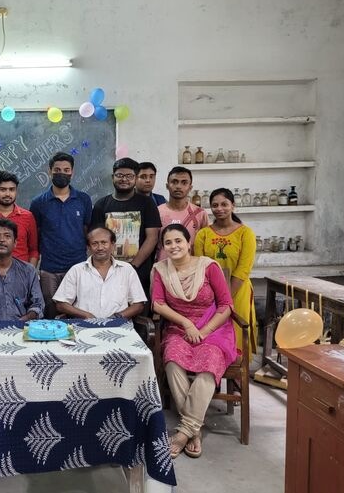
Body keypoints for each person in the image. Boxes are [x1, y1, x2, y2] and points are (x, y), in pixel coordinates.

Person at [151, 224, 236, 459]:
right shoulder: (161, 270)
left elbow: (226, 305)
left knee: (209, 363)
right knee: (172, 360)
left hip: (213, 328)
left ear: (188, 243)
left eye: (178, 241)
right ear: (163, 247)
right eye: (168, 242)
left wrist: (204, 330)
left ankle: (184, 432)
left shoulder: (208, 267)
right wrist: (186, 324)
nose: (174, 246)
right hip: (179, 328)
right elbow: (158, 304)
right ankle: (193, 430)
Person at [194, 188, 257, 356]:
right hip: (210, 293)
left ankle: (240, 369)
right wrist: (214, 296)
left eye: (224, 204)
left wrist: (225, 297)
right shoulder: (203, 234)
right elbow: (200, 266)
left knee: (237, 331)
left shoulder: (245, 233)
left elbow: (243, 268)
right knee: (213, 333)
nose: (219, 209)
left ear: (233, 206)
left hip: (238, 290)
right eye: (215, 205)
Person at [30, 152, 92, 318]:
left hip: (78, 267)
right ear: (50, 171)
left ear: (72, 172)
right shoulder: (38, 203)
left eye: (66, 170)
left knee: (78, 313)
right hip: (49, 269)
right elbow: (35, 235)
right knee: (50, 314)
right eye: (57, 170)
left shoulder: (84, 200)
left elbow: (87, 231)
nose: (62, 173)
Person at [91, 157, 161, 297]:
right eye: (120, 175)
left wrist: (132, 266)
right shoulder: (101, 205)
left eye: (129, 176)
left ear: (135, 178)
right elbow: (96, 239)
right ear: (113, 177)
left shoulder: (147, 204)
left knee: (138, 308)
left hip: (139, 271)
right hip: (108, 271)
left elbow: (152, 238)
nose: (124, 179)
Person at [53, 227, 146, 319]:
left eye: (104, 242)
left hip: (119, 325)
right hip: (83, 325)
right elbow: (61, 304)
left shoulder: (127, 270)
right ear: (88, 247)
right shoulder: (77, 270)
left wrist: (117, 317)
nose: (100, 248)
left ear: (113, 245)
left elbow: (138, 304)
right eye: (94, 244)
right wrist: (86, 316)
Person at [0, 171, 39, 267]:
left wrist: (30, 271)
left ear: (16, 191)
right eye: (3, 190)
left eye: (11, 189)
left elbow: (34, 250)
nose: (8, 194)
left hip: (22, 272)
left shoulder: (28, 217)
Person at [155, 166, 209, 262]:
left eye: (184, 183)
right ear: (167, 186)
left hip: (192, 267)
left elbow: (206, 244)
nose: (178, 186)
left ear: (190, 187)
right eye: (174, 182)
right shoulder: (156, 212)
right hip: (163, 267)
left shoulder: (200, 213)